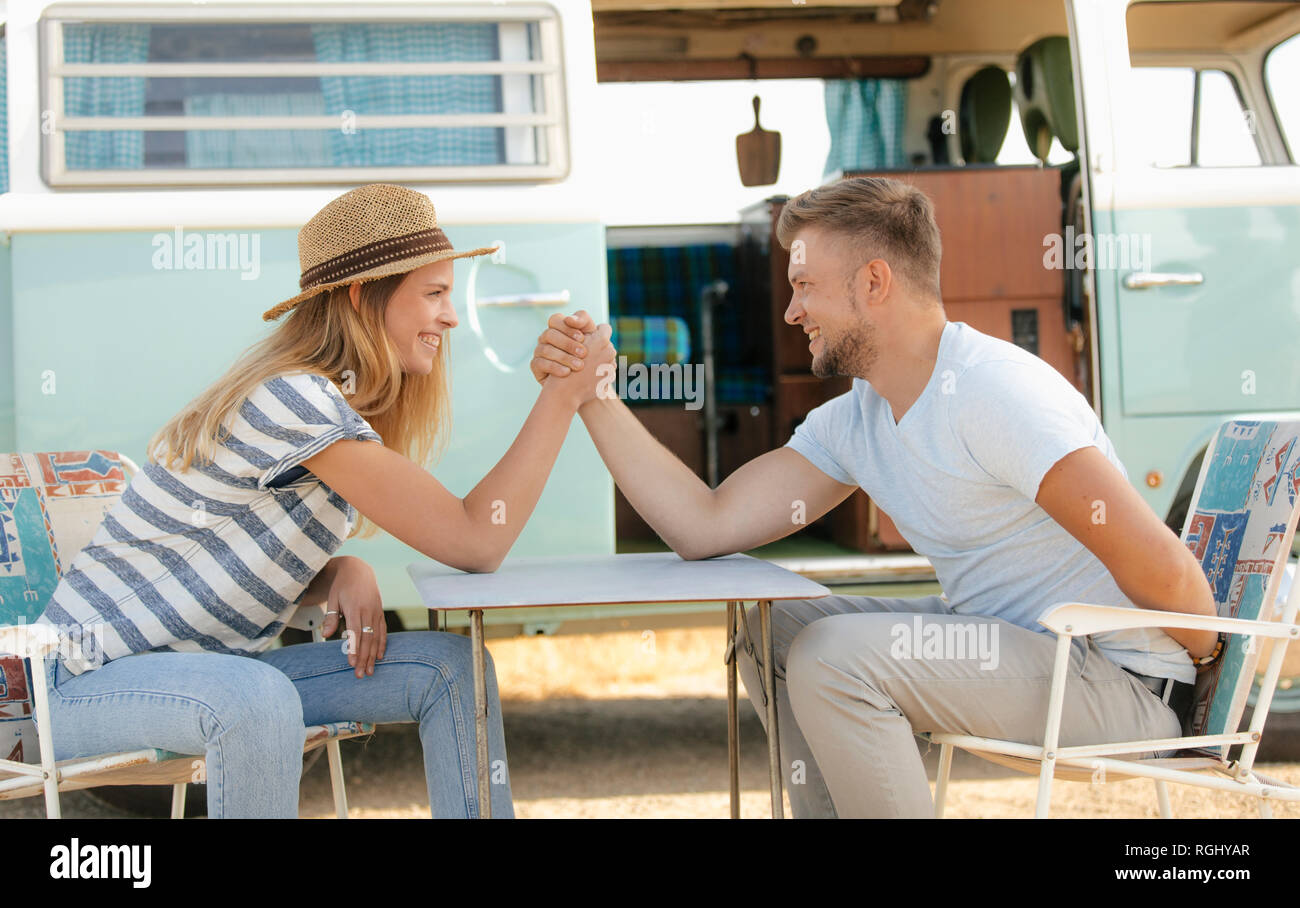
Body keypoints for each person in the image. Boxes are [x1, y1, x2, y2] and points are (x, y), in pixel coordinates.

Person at [530, 175, 1218, 818]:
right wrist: (592, 393)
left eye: (804, 286)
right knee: (774, 626)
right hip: (1024, 659)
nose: (793, 311)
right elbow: (704, 525)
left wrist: (1213, 674)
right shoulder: (861, 417)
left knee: (837, 658)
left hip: (1123, 688)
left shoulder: (995, 393)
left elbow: (1160, 565)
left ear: (874, 282)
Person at [37, 183, 614, 818]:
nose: (451, 316)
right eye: (434, 293)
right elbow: (477, 539)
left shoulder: (328, 408)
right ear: (365, 296)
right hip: (79, 686)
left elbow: (225, 557)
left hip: (212, 676)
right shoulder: (295, 399)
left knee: (455, 669)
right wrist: (562, 396)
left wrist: (337, 572)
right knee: (257, 698)